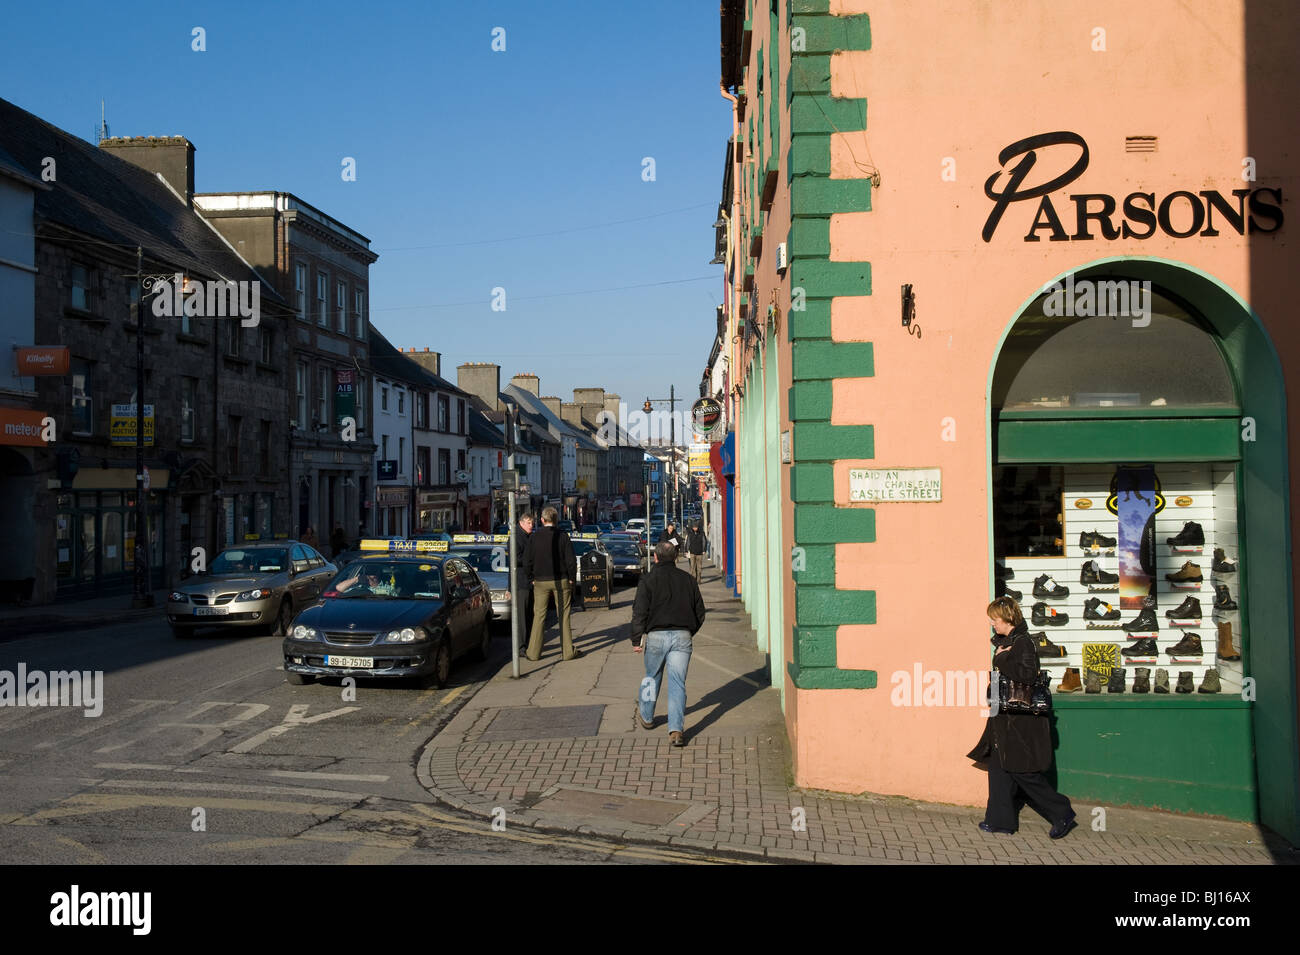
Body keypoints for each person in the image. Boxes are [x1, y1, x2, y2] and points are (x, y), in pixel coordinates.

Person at [967, 596, 1077, 838]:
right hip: (1003, 716)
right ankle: (1000, 820)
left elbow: (1027, 675)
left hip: (1019, 720)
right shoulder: (1008, 642)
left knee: (1021, 771)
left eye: (995, 619)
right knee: (999, 769)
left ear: (1008, 619)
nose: (992, 624)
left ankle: (1062, 812)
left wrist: (1001, 658)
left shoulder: (1023, 643)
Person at [631, 540, 706, 747]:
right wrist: (689, 631)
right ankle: (676, 730)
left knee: (651, 677)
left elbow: (639, 612)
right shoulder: (688, 580)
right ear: (676, 557)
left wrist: (636, 639)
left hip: (656, 636)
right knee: (677, 683)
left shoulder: (648, 580)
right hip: (682, 636)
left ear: (655, 557)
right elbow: (700, 612)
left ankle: (646, 716)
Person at [523, 506, 581, 662]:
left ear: (542, 520)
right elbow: (571, 561)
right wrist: (571, 579)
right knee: (563, 615)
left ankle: (533, 653)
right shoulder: (563, 536)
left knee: (539, 616)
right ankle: (568, 652)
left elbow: (526, 561)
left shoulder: (534, 537)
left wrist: (531, 578)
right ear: (556, 520)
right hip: (561, 580)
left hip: (540, 581)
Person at [513, 510, 535, 653]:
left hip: (531, 582)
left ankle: (528, 643)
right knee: (521, 616)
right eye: (529, 523)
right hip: (521, 582)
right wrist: (532, 560)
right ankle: (521, 646)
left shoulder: (529, 536)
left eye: (532, 523)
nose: (531, 525)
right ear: (521, 523)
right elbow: (516, 559)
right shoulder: (517, 537)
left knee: (529, 615)